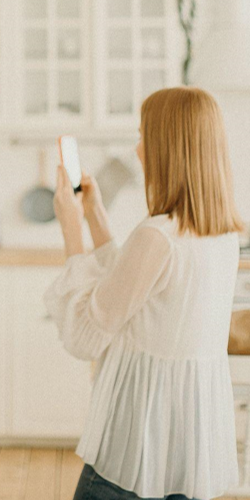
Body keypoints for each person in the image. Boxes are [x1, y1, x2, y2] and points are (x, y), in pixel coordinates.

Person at [45, 87, 245, 500]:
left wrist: (70, 228)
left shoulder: (156, 236)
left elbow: (85, 336)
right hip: (187, 440)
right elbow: (135, 286)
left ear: (167, 148)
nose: (137, 151)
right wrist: (95, 215)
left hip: (134, 436)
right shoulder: (221, 236)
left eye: (143, 137)